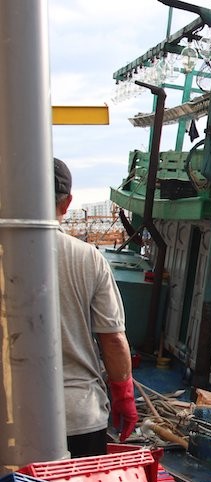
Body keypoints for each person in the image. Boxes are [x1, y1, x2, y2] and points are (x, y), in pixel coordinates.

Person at [53, 158, 137, 457]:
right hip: (78, 416)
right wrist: (124, 397)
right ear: (67, 204)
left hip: (11, 419)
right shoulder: (89, 259)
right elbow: (112, 338)